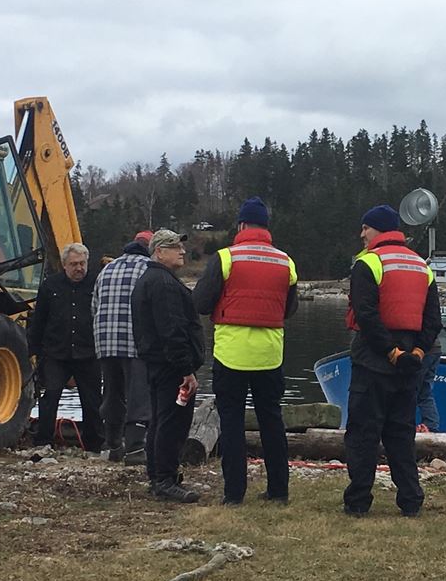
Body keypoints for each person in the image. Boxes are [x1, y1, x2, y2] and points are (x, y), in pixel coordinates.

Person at [193, 197, 299, 506]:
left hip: (232, 354)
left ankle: (234, 494)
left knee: (232, 422)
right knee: (272, 421)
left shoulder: (226, 258)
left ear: (241, 225)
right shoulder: (286, 261)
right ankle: (279, 490)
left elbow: (200, 303)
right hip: (270, 354)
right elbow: (290, 308)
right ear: (266, 226)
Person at [343, 204, 442, 518]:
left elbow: (366, 315)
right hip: (410, 364)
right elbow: (433, 320)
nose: (362, 234)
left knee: (363, 434)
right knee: (401, 435)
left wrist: (390, 352)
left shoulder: (368, 263)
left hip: (373, 361)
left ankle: (358, 501)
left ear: (379, 230)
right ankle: (411, 500)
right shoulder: (421, 266)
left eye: (366, 228)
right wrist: (417, 353)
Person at [131, 230, 205, 502]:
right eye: (174, 247)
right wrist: (186, 369)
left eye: (181, 246)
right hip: (171, 365)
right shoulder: (163, 283)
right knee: (172, 423)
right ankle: (165, 479)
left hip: (158, 362)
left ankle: (158, 476)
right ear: (159, 252)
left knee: (160, 420)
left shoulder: (151, 279)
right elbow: (172, 329)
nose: (182, 251)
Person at [28, 243, 103, 451]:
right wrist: (33, 350)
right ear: (64, 265)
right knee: (50, 396)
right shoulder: (50, 286)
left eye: (82, 263)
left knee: (92, 400)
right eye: (74, 264)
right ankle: (43, 441)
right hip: (56, 352)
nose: (79, 268)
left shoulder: (97, 284)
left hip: (88, 352)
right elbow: (39, 320)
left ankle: (94, 445)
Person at [92, 230, 153, 462]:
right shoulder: (148, 268)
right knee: (138, 395)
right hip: (134, 342)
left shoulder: (107, 268)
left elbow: (94, 306)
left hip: (106, 342)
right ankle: (136, 448)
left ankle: (112, 445)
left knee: (112, 393)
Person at [416, 339, 442, 431]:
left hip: (421, 351)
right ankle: (431, 425)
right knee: (425, 392)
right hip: (435, 349)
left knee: (410, 390)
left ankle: (403, 425)